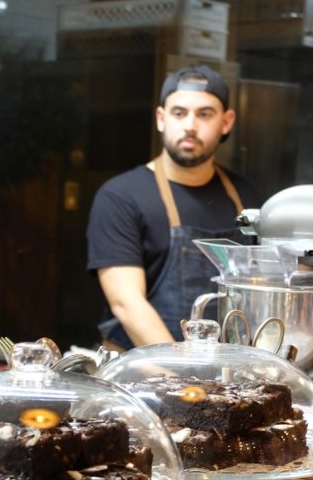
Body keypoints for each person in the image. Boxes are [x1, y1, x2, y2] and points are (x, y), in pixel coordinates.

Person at [86, 65, 262, 350]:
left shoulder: (244, 196)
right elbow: (127, 304)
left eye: (205, 114)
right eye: (179, 113)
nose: (190, 125)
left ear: (226, 122)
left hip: (228, 372)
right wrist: (183, 375)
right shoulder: (120, 196)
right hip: (146, 373)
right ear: (161, 118)